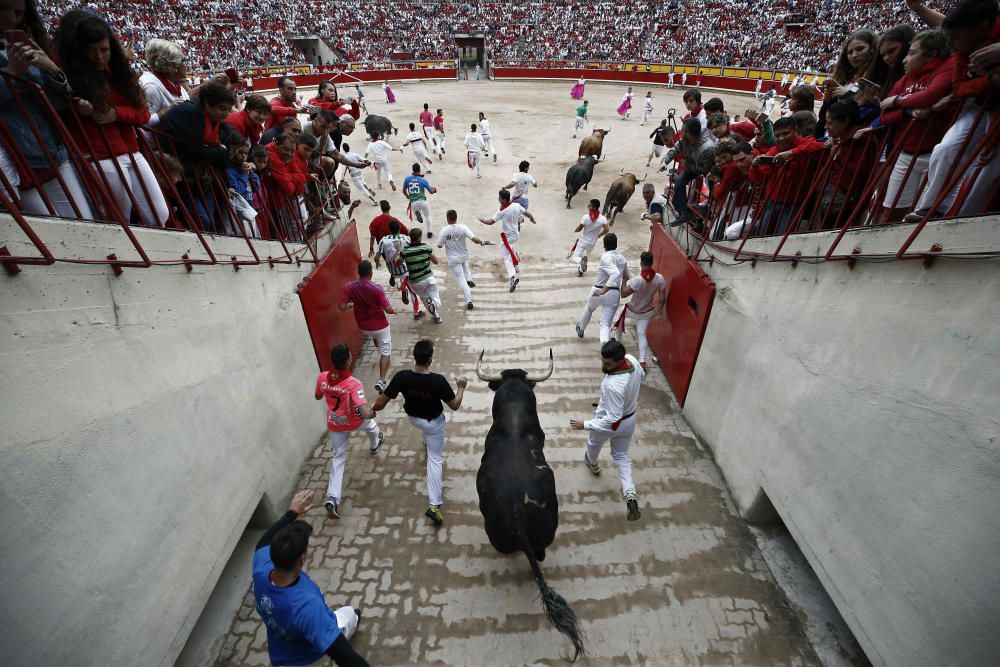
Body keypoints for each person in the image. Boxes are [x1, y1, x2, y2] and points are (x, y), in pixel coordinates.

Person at [57, 13, 170, 227]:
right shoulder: (68, 77)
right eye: (92, 51)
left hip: (130, 151)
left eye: (104, 50)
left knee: (159, 214)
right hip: (99, 155)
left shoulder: (118, 73)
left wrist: (114, 115)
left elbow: (143, 114)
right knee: (118, 218)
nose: (99, 57)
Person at [251, 489, 369, 666]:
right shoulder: (306, 606)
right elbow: (345, 656)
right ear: (302, 559)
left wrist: (292, 513)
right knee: (351, 614)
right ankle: (353, 621)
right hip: (308, 658)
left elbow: (262, 542)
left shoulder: (261, 568)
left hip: (281, 656)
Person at [0, 2, 94, 220]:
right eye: (4, 8)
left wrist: (51, 68)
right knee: (47, 229)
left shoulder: (28, 44)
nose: (11, 17)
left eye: (18, 12)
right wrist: (12, 72)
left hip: (52, 148)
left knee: (84, 221)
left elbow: (59, 101)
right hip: (17, 158)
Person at [372, 339, 467, 526]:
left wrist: (369, 408)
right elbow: (455, 405)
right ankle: (434, 505)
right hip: (434, 423)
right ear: (430, 360)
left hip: (414, 420)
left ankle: (426, 441)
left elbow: (380, 404)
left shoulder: (401, 377)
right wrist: (461, 388)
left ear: (414, 357)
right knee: (435, 460)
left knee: (425, 431)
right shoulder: (438, 381)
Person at [875, 29, 954, 222]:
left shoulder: (946, 68)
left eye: (911, 53)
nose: (904, 59)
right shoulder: (904, 80)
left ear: (930, 55)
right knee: (891, 209)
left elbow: (930, 95)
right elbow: (884, 116)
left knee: (920, 213)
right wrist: (908, 111)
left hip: (932, 153)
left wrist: (897, 101)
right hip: (905, 153)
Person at [570, 340, 644, 522]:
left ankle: (592, 463)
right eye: (603, 361)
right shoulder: (632, 361)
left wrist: (586, 424)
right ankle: (630, 495)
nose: (603, 366)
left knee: (594, 443)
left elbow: (612, 419)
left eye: (608, 364)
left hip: (609, 422)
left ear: (619, 362)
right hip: (629, 420)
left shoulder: (612, 385)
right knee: (621, 456)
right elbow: (641, 375)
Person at [158, 81, 242, 233]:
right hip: (183, 177)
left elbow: (222, 159)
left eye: (229, 110)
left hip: (200, 178)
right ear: (207, 105)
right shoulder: (190, 113)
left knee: (208, 220)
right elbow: (196, 151)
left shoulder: (217, 122)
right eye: (222, 109)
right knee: (202, 220)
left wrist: (215, 152)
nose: (226, 114)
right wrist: (219, 151)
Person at [315, 343, 384, 519]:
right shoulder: (354, 384)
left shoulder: (323, 377)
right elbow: (364, 411)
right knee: (371, 425)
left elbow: (318, 396)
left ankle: (332, 498)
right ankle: (375, 444)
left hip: (335, 424)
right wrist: (374, 409)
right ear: (348, 361)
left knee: (338, 458)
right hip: (354, 421)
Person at [339, 260, 396, 394]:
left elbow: (341, 306)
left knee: (375, 337)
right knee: (386, 352)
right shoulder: (377, 288)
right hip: (380, 325)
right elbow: (387, 309)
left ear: (359, 273)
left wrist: (350, 305)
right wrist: (393, 310)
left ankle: (381, 351)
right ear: (370, 273)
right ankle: (382, 380)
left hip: (363, 326)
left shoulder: (349, 287)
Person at [614, 251, 667, 371]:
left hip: (632, 309)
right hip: (647, 312)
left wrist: (624, 280)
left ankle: (617, 344)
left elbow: (623, 294)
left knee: (618, 320)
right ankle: (642, 361)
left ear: (641, 263)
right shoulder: (659, 278)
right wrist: (659, 311)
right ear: (652, 263)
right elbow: (663, 297)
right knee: (642, 334)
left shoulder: (637, 280)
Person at [658, 118, 716, 228]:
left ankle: (701, 218)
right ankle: (684, 212)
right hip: (692, 166)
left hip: (706, 172)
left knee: (712, 190)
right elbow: (674, 150)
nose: (680, 131)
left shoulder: (708, 148)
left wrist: (688, 165)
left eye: (683, 130)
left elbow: (704, 170)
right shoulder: (684, 140)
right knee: (679, 180)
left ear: (688, 133)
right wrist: (664, 162)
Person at [478, 188, 537, 293]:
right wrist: (532, 219)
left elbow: (490, 222)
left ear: (504, 200)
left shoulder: (501, 211)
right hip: (516, 234)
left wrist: (482, 220)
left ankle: (513, 277)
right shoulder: (516, 205)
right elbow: (528, 214)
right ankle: (516, 264)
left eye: (499, 198)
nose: (498, 199)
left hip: (508, 237)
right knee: (511, 248)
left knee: (506, 258)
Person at [575, 233, 629, 344]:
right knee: (605, 324)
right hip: (614, 294)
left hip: (599, 290)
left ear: (604, 245)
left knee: (589, 309)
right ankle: (604, 343)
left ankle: (581, 328)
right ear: (616, 245)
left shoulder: (605, 257)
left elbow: (615, 273)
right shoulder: (622, 259)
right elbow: (626, 276)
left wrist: (604, 289)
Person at [437, 209, 487, 309]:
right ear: (456, 218)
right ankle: (469, 279)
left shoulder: (444, 230)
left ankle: (469, 300)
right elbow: (474, 239)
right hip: (463, 255)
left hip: (453, 259)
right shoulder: (463, 228)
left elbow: (439, 245)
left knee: (461, 279)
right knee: (465, 265)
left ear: (448, 219)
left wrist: (448, 240)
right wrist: (481, 242)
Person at [139, 39, 189, 127]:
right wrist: (167, 111)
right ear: (174, 66)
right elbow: (144, 125)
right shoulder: (151, 87)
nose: (187, 65)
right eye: (183, 60)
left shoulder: (174, 83)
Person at [399, 227, 442, 323]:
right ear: (419, 238)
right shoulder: (426, 247)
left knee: (425, 299)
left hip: (415, 281)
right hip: (429, 278)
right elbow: (436, 262)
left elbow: (398, 263)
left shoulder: (404, 251)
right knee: (436, 300)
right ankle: (435, 311)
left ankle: (436, 316)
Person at [568, 198, 610, 277]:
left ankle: (581, 262)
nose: (588, 206)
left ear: (594, 207)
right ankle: (580, 271)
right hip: (592, 242)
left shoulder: (586, 217)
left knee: (574, 258)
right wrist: (599, 235)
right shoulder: (602, 219)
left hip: (583, 241)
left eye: (590, 205)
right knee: (585, 257)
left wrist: (574, 231)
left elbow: (580, 228)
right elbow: (607, 229)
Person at [402, 163, 437, 237]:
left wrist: (407, 196)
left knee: (415, 216)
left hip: (414, 202)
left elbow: (404, 190)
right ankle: (429, 232)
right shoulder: (423, 180)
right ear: (420, 170)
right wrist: (434, 190)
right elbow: (431, 192)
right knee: (428, 216)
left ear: (412, 169)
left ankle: (418, 215)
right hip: (423, 201)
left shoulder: (407, 179)